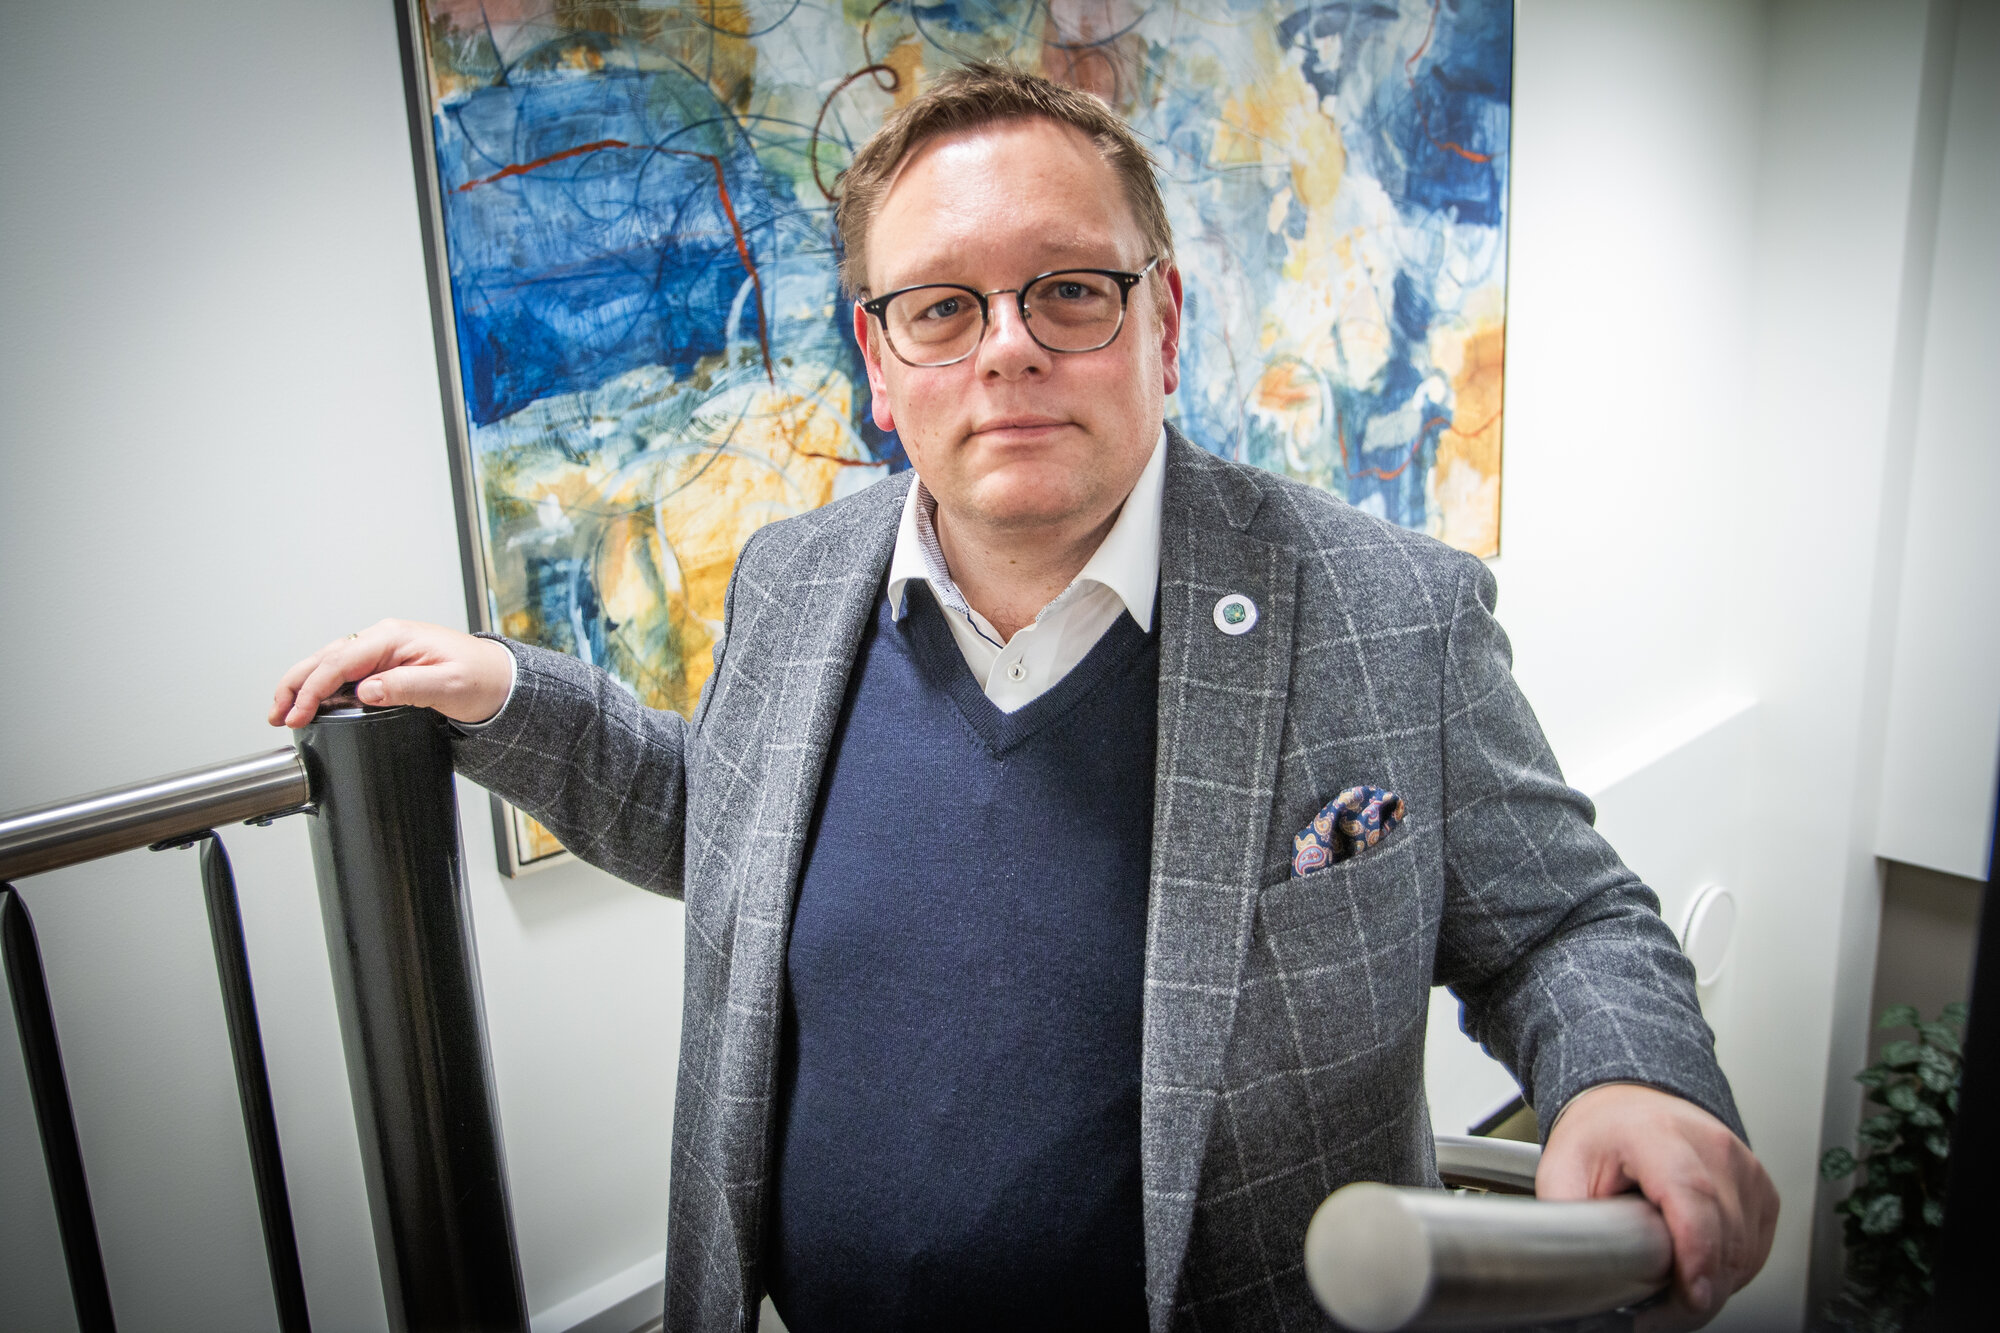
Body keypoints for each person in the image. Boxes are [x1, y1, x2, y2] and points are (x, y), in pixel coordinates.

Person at [273, 64, 1776, 1333]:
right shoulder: (793, 578)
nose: (1007, 350)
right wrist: (511, 696)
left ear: (1163, 321)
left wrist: (1633, 1076)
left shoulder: (1394, 613)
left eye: (1068, 291)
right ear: (879, 361)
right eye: (941, 307)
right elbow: (726, 822)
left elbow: (1561, 921)